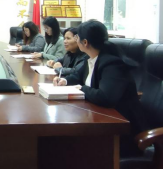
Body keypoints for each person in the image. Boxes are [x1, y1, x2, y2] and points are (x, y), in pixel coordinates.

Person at [53, 19, 146, 155]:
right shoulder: (90, 58)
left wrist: (81, 88)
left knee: (66, 144)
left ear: (85, 42)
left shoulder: (112, 64)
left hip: (121, 132)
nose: (76, 40)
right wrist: (64, 81)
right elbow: (77, 76)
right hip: (100, 119)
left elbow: (105, 97)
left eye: (77, 37)